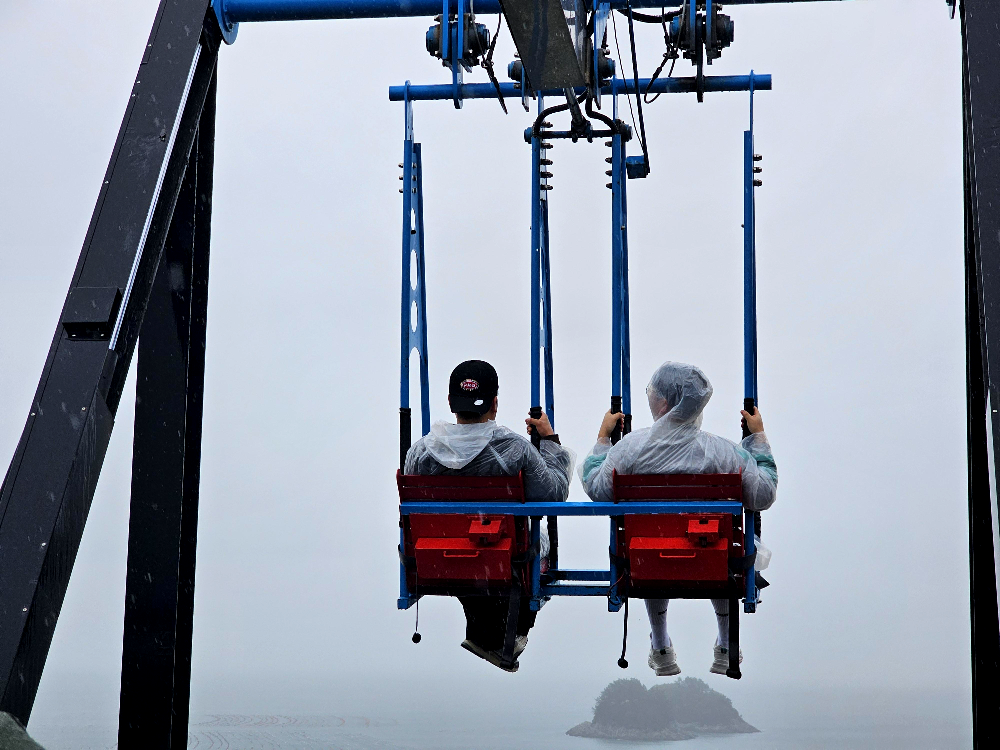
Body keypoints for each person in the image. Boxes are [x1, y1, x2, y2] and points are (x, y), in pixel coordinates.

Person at [579, 361, 777, 677]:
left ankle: (660, 644)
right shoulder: (724, 452)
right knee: (710, 538)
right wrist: (758, 442)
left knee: (658, 540)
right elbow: (763, 495)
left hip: (648, 562)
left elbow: (598, 489)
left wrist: (604, 439)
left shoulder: (630, 448)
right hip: (712, 562)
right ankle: (727, 644)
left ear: (664, 402)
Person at [404, 359, 574, 672]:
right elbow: (553, 495)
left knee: (469, 549)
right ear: (494, 404)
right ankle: (505, 631)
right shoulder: (514, 449)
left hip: (439, 557)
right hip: (502, 554)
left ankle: (486, 629)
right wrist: (548, 439)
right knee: (532, 544)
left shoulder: (419, 452)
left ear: (450, 402)